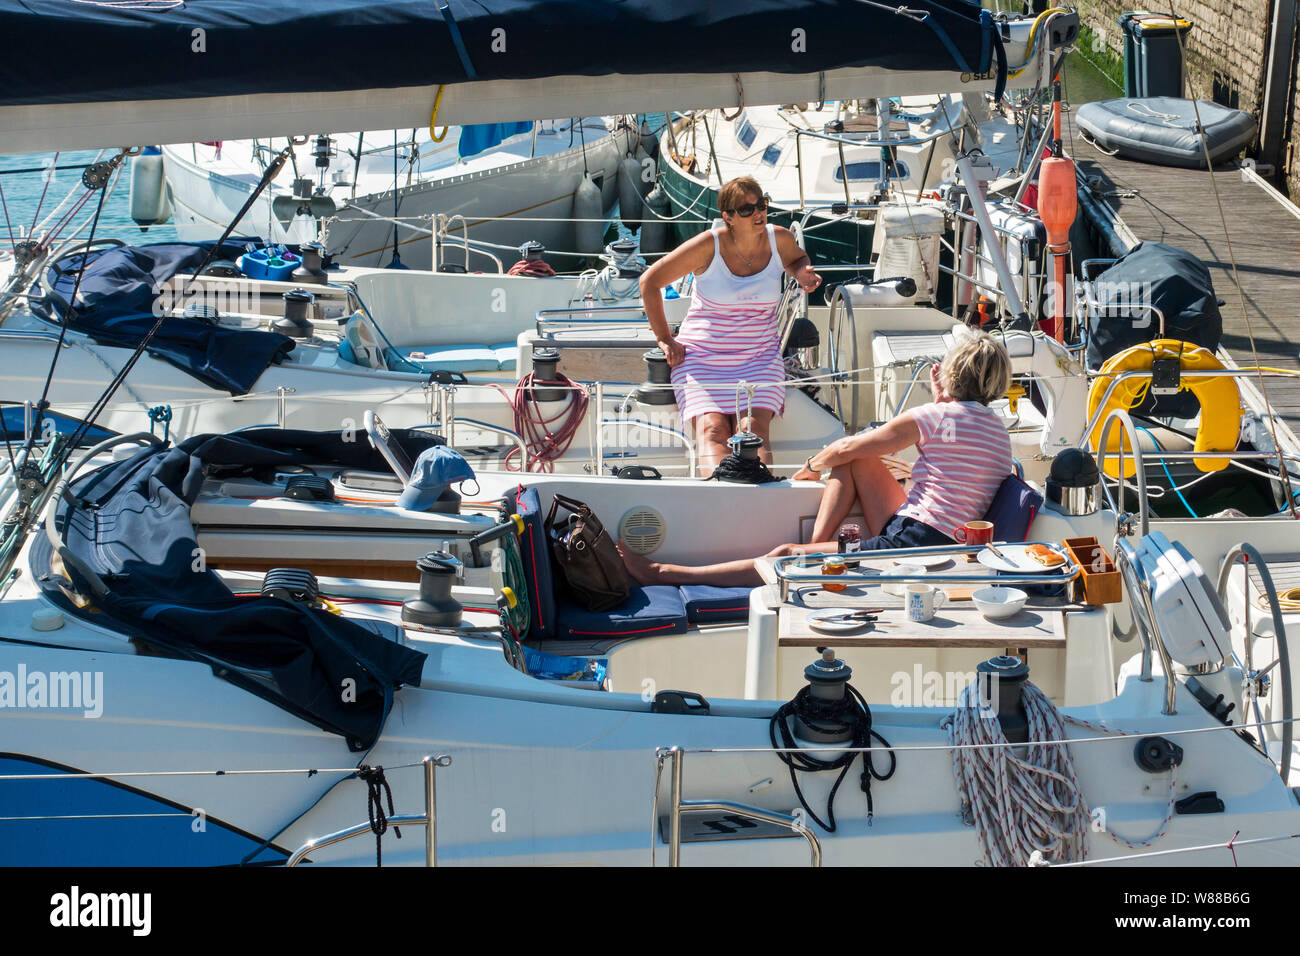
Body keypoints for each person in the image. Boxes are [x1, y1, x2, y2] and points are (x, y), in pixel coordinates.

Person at [618, 331, 1015, 587]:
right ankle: (821, 548)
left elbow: (844, 447)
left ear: (949, 373)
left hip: (915, 547)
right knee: (856, 460)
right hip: (943, 540)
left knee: (785, 555)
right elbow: (952, 458)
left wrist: (807, 469)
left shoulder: (935, 415)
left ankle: (663, 573)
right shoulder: (999, 432)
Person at [639, 176, 822, 474]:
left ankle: (759, 498)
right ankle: (722, 495)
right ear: (728, 217)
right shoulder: (707, 246)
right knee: (713, 430)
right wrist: (664, 339)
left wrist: (802, 273)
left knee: (753, 430)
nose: (758, 213)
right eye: (747, 210)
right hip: (702, 358)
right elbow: (649, 282)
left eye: (761, 204)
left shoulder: (780, 240)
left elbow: (798, 258)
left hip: (759, 357)